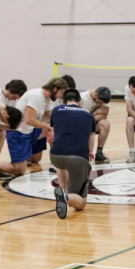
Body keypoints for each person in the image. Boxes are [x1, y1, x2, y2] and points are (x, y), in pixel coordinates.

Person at [1, 77, 68, 176]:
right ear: (55, 89)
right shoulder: (36, 96)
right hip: (18, 133)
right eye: (61, 92)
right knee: (19, 171)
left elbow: (52, 116)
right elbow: (29, 120)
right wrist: (49, 127)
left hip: (29, 132)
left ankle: (55, 161)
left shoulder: (48, 99)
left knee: (36, 158)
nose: (60, 96)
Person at [49, 89, 96, 219]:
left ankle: (63, 191)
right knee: (81, 203)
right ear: (79, 102)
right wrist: (90, 151)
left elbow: (54, 132)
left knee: (62, 164)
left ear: (63, 102)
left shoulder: (56, 110)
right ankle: (65, 196)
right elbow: (92, 136)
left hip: (55, 156)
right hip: (77, 157)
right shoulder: (89, 114)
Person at [0, 79, 27, 162]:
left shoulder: (11, 99)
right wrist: (12, 127)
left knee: (6, 131)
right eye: (15, 97)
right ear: (9, 90)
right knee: (2, 132)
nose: (15, 100)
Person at [79, 87, 112, 163]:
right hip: (82, 125)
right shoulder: (83, 98)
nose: (101, 104)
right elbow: (83, 120)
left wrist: (91, 116)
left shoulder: (104, 96)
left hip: (92, 123)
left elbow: (104, 116)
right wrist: (97, 112)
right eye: (99, 102)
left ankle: (99, 153)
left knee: (105, 123)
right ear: (95, 95)